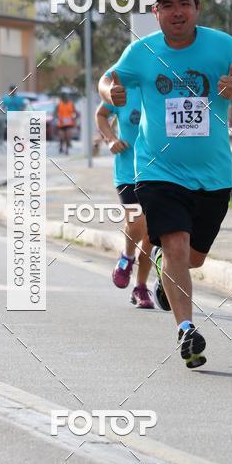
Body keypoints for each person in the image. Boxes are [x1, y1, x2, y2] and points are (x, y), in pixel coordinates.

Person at [99, 0, 232, 368]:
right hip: (159, 170)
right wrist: (111, 92)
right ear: (156, 12)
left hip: (213, 175)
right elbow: (107, 81)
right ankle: (186, 329)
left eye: (184, 3)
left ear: (197, 9)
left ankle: (165, 276)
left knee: (192, 259)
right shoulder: (141, 52)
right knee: (173, 244)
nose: (177, 12)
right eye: (168, 5)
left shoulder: (221, 45)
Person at [95, 95, 154, 309]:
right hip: (128, 173)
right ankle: (127, 256)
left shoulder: (161, 84)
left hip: (159, 172)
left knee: (151, 234)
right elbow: (101, 114)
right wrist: (111, 139)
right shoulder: (123, 87)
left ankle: (140, 287)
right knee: (137, 222)